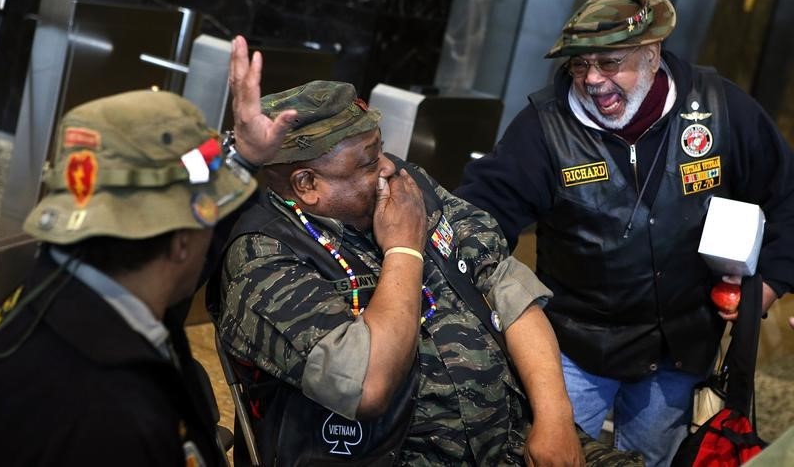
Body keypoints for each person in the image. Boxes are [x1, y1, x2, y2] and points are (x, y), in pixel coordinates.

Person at [211, 37, 646, 466]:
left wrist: (553, 417)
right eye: (365, 162)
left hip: (510, 437)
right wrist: (404, 247)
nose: (386, 167)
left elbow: (504, 283)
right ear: (308, 186)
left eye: (380, 149)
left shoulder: (408, 186)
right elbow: (367, 385)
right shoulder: (264, 255)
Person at [455, 0, 794, 466]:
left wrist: (771, 283)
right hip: (574, 347)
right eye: (579, 64)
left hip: (677, 350)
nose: (591, 79)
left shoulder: (721, 111)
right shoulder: (544, 130)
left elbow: (787, 195)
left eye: (610, 62)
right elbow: (479, 221)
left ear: (653, 54)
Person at [0, 88, 293, 466]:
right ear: (181, 244)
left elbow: (194, 231)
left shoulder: (70, 286)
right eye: (207, 215)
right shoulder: (113, 417)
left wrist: (243, 158)